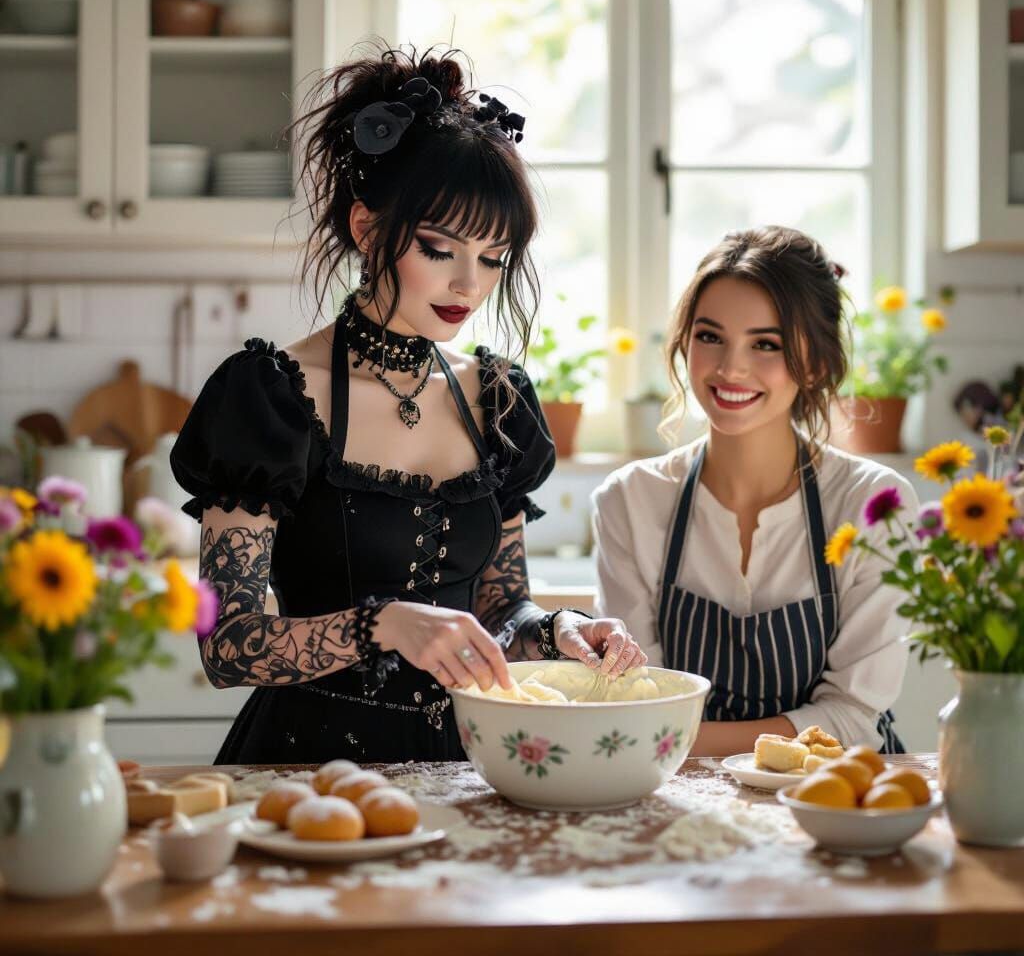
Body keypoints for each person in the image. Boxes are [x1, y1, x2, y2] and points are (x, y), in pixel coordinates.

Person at [170, 47, 645, 765]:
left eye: (494, 257)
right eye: (438, 247)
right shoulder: (268, 398)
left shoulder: (500, 400)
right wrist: (383, 624)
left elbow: (500, 611)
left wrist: (559, 632)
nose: (469, 283)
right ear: (367, 230)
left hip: (470, 765)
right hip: (307, 771)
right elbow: (229, 647)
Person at [591, 226, 917, 756]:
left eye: (766, 344)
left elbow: (854, 716)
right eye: (709, 336)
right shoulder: (630, 500)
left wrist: (669, 737)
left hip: (836, 797)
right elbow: (638, 697)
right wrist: (651, 733)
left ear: (812, 362)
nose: (730, 368)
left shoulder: (874, 504)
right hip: (684, 800)